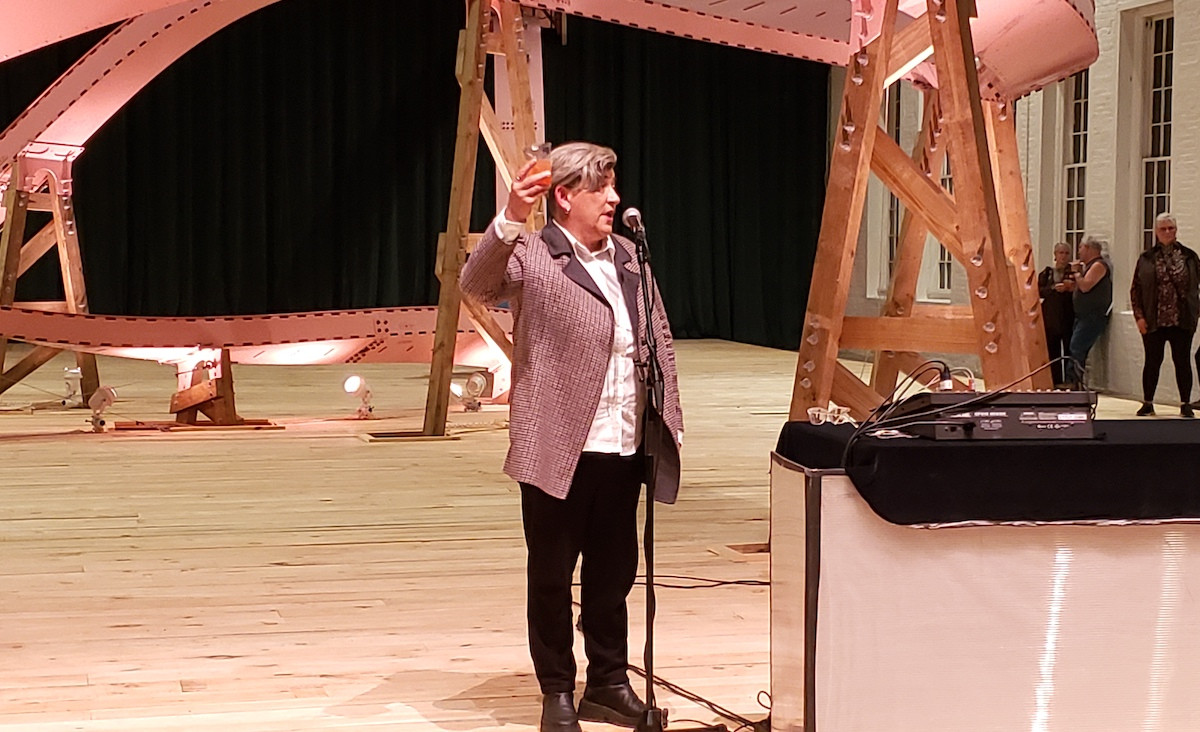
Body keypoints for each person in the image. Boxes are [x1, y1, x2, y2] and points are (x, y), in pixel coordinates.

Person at [459, 142, 684, 732]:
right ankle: (557, 689)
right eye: (600, 189)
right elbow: (476, 284)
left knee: (615, 571)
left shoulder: (633, 258)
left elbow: (657, 338)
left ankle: (608, 682)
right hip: (560, 445)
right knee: (554, 573)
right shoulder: (534, 255)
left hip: (623, 441)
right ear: (564, 197)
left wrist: (669, 422)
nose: (614, 198)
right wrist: (509, 215)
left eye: (614, 186)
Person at [1130, 212, 1200, 417]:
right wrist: (1139, 317)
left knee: (1182, 361)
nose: (1167, 232)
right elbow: (1136, 289)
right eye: (1163, 229)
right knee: (1152, 360)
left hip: (1182, 319)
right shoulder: (1146, 258)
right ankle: (1148, 402)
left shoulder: (1189, 257)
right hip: (1154, 319)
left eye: (1171, 228)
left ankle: (1185, 403)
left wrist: (1195, 311)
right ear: (1156, 232)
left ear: (1176, 230)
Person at [1060, 235, 1112, 388]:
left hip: (1093, 316)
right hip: (1082, 315)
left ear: (1089, 248)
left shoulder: (1098, 265)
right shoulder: (1088, 266)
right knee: (1075, 346)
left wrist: (1076, 273)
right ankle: (1073, 380)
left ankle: (1074, 381)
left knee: (1077, 346)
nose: (1079, 252)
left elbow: (1086, 286)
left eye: (1081, 248)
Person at [1038, 242, 1075, 387]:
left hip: (1068, 317)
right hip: (1051, 318)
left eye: (1066, 253)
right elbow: (1038, 291)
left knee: (1069, 350)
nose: (1063, 257)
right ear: (1055, 255)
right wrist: (1053, 288)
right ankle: (1055, 381)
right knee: (1052, 352)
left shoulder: (1073, 273)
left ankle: (1069, 380)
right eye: (1061, 253)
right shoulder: (1047, 274)